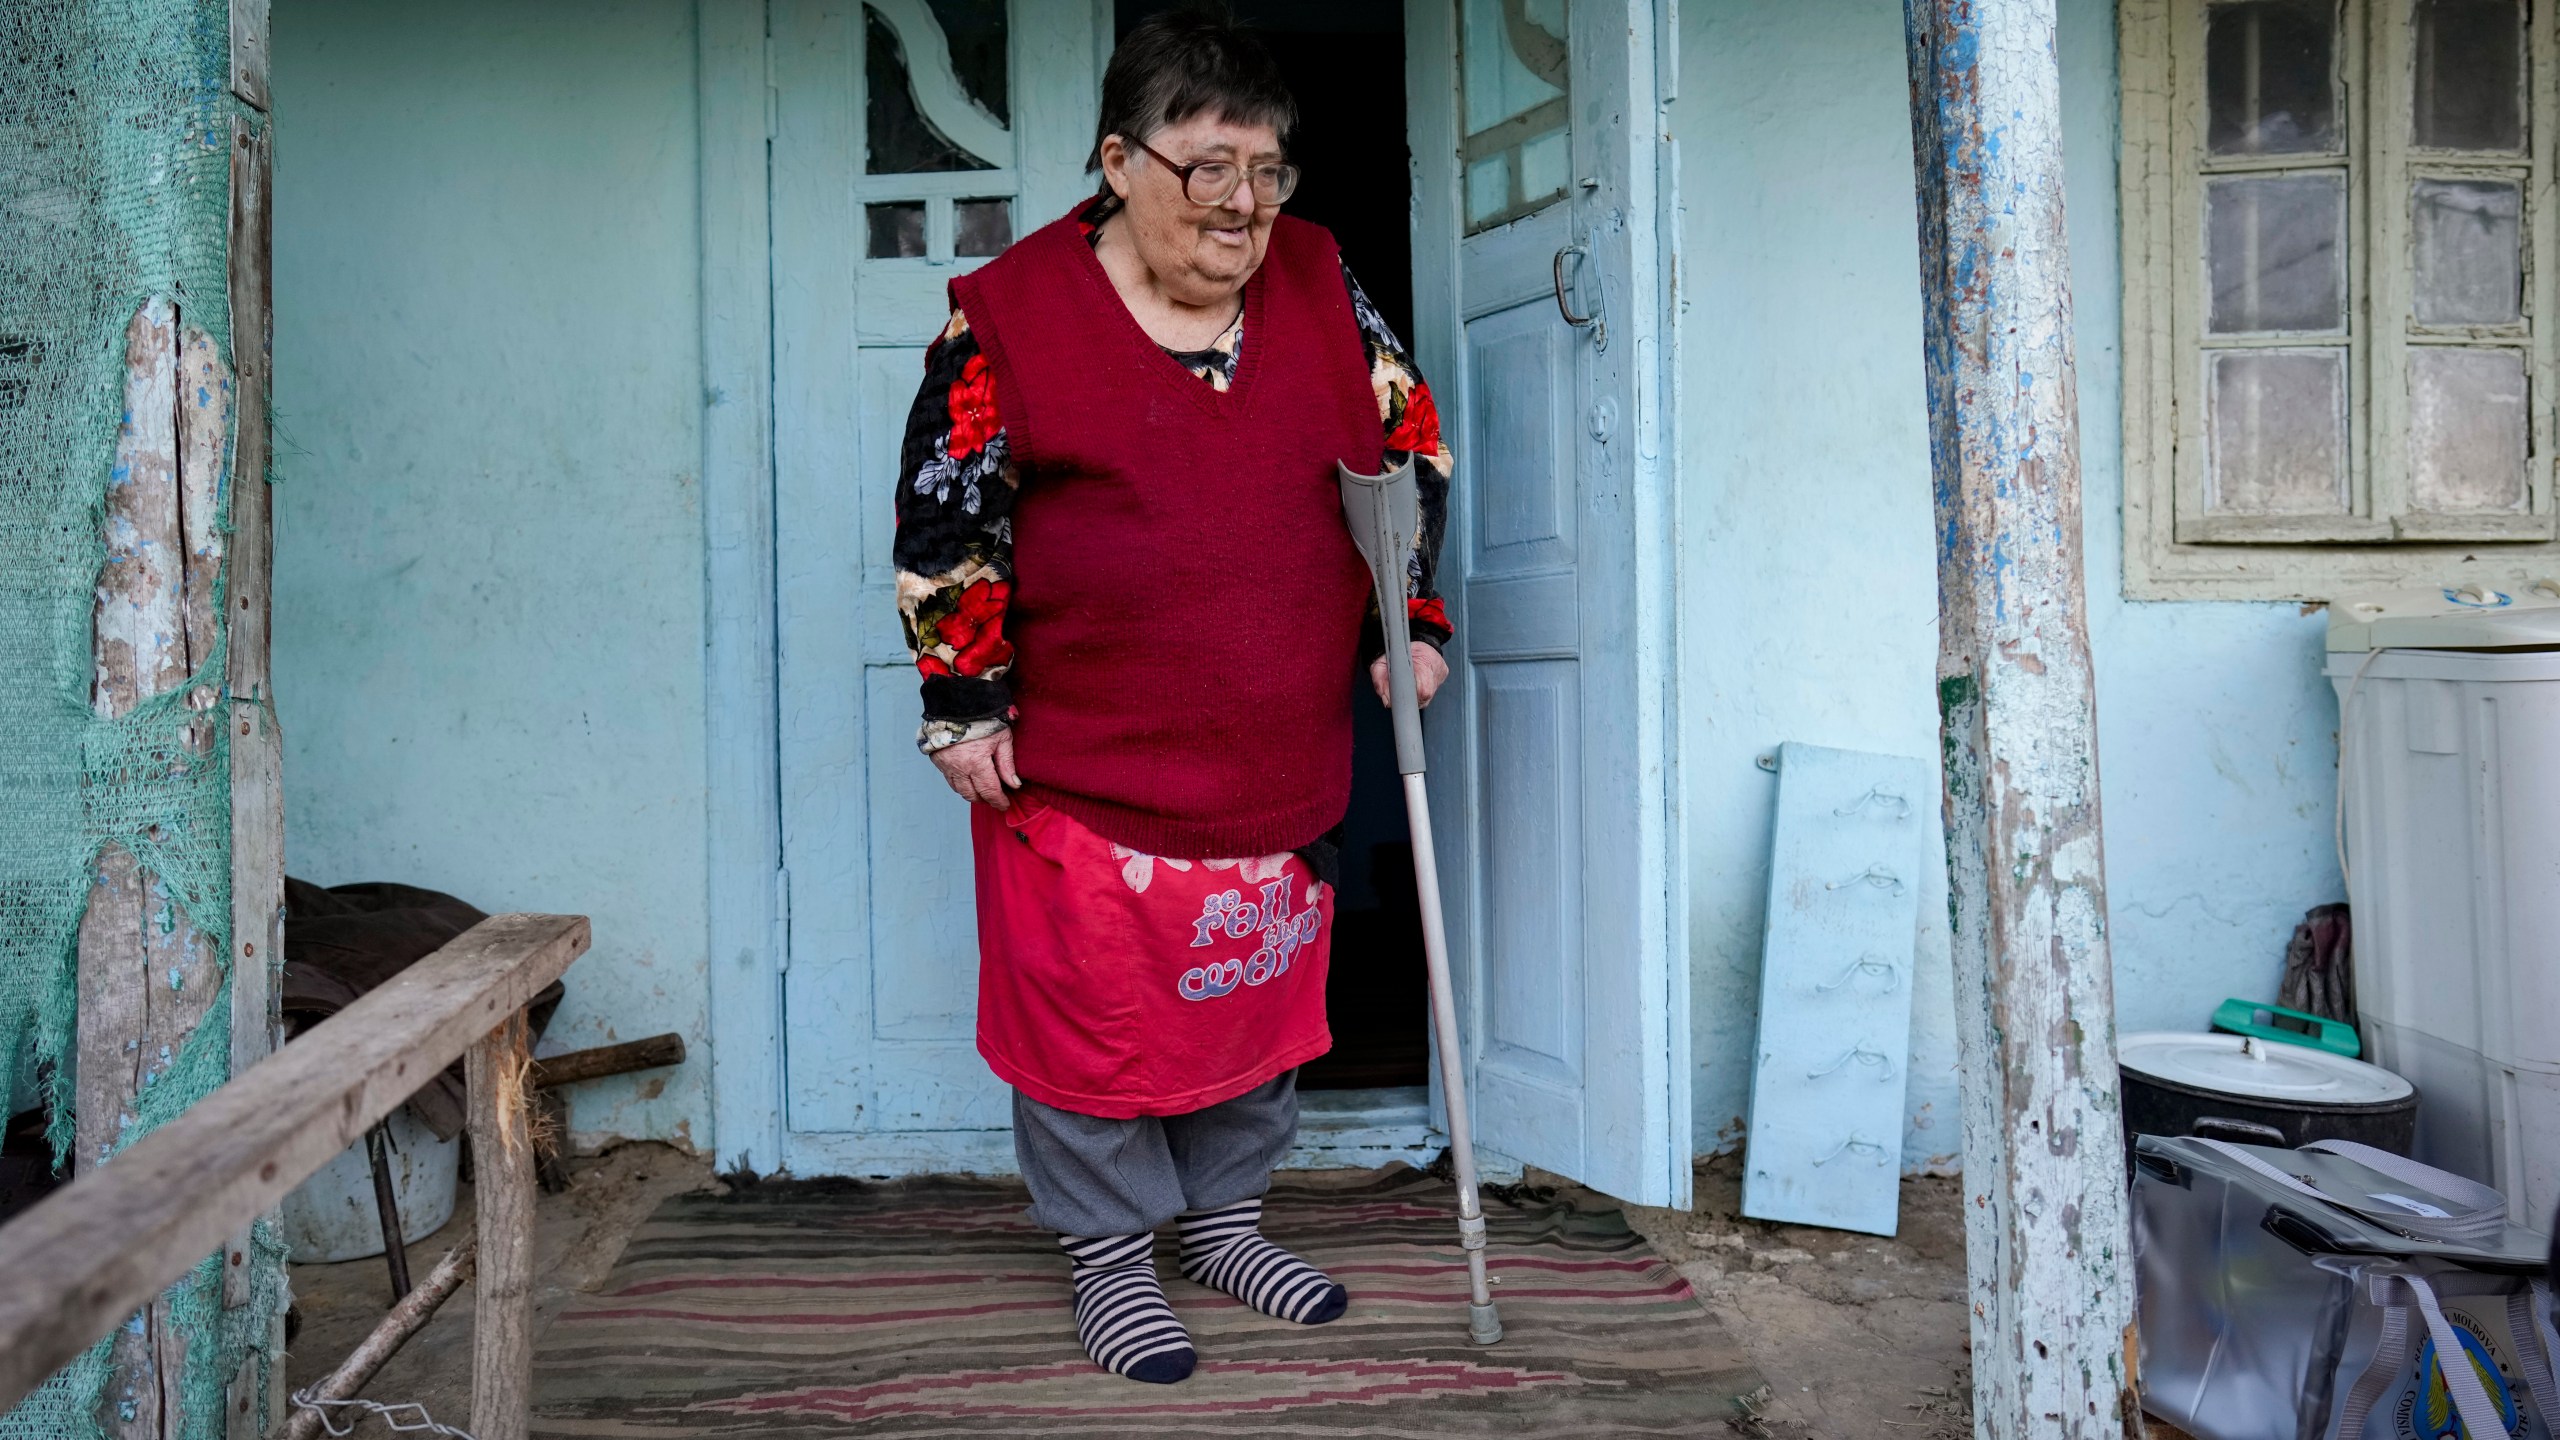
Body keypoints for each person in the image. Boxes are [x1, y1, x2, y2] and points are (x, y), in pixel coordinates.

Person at [890, 6, 1455, 1386]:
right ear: (1119, 161)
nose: (1243, 205)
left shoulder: (1321, 280)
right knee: (1087, 1032)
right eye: (1208, 168)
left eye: (1267, 172)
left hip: (1276, 750)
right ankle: (1109, 1258)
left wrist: (1414, 617)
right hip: (1083, 766)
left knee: (1250, 1007)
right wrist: (964, 702)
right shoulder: (1011, 318)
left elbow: (1405, 446)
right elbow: (950, 519)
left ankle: (1228, 1224)